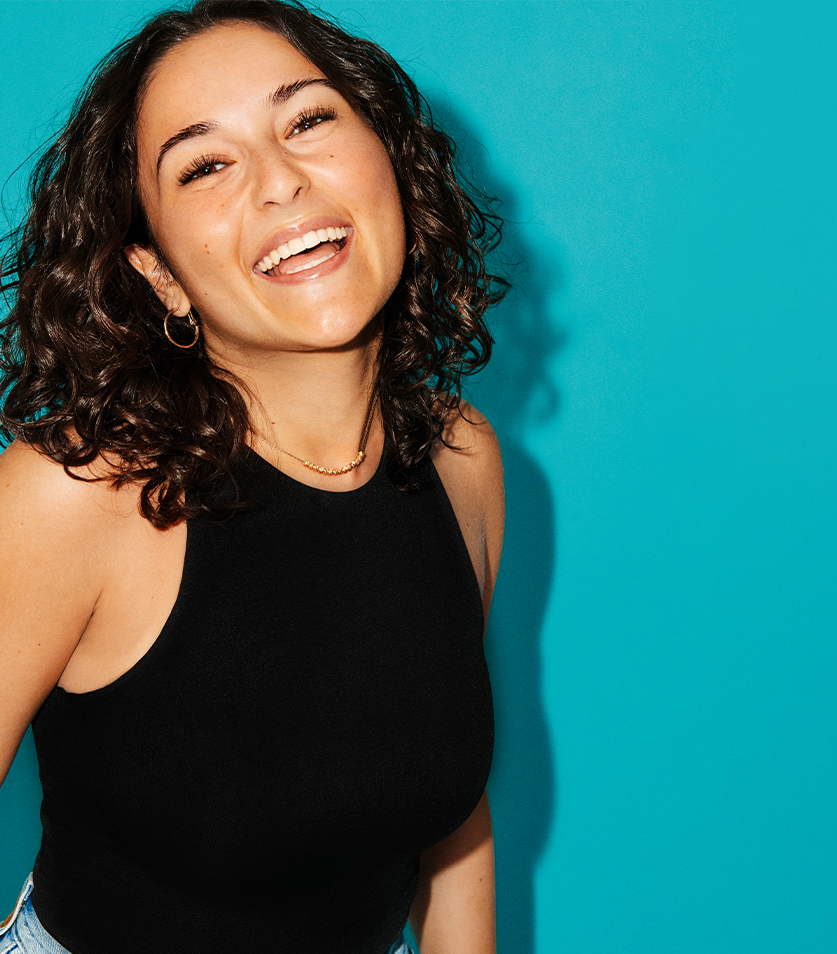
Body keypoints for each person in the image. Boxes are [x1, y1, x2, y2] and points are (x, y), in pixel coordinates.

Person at [0, 1, 506, 951]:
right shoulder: (75, 493)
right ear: (159, 273)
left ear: (389, 159)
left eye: (308, 119)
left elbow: (442, 802)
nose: (280, 181)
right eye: (204, 166)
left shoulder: (460, 456)